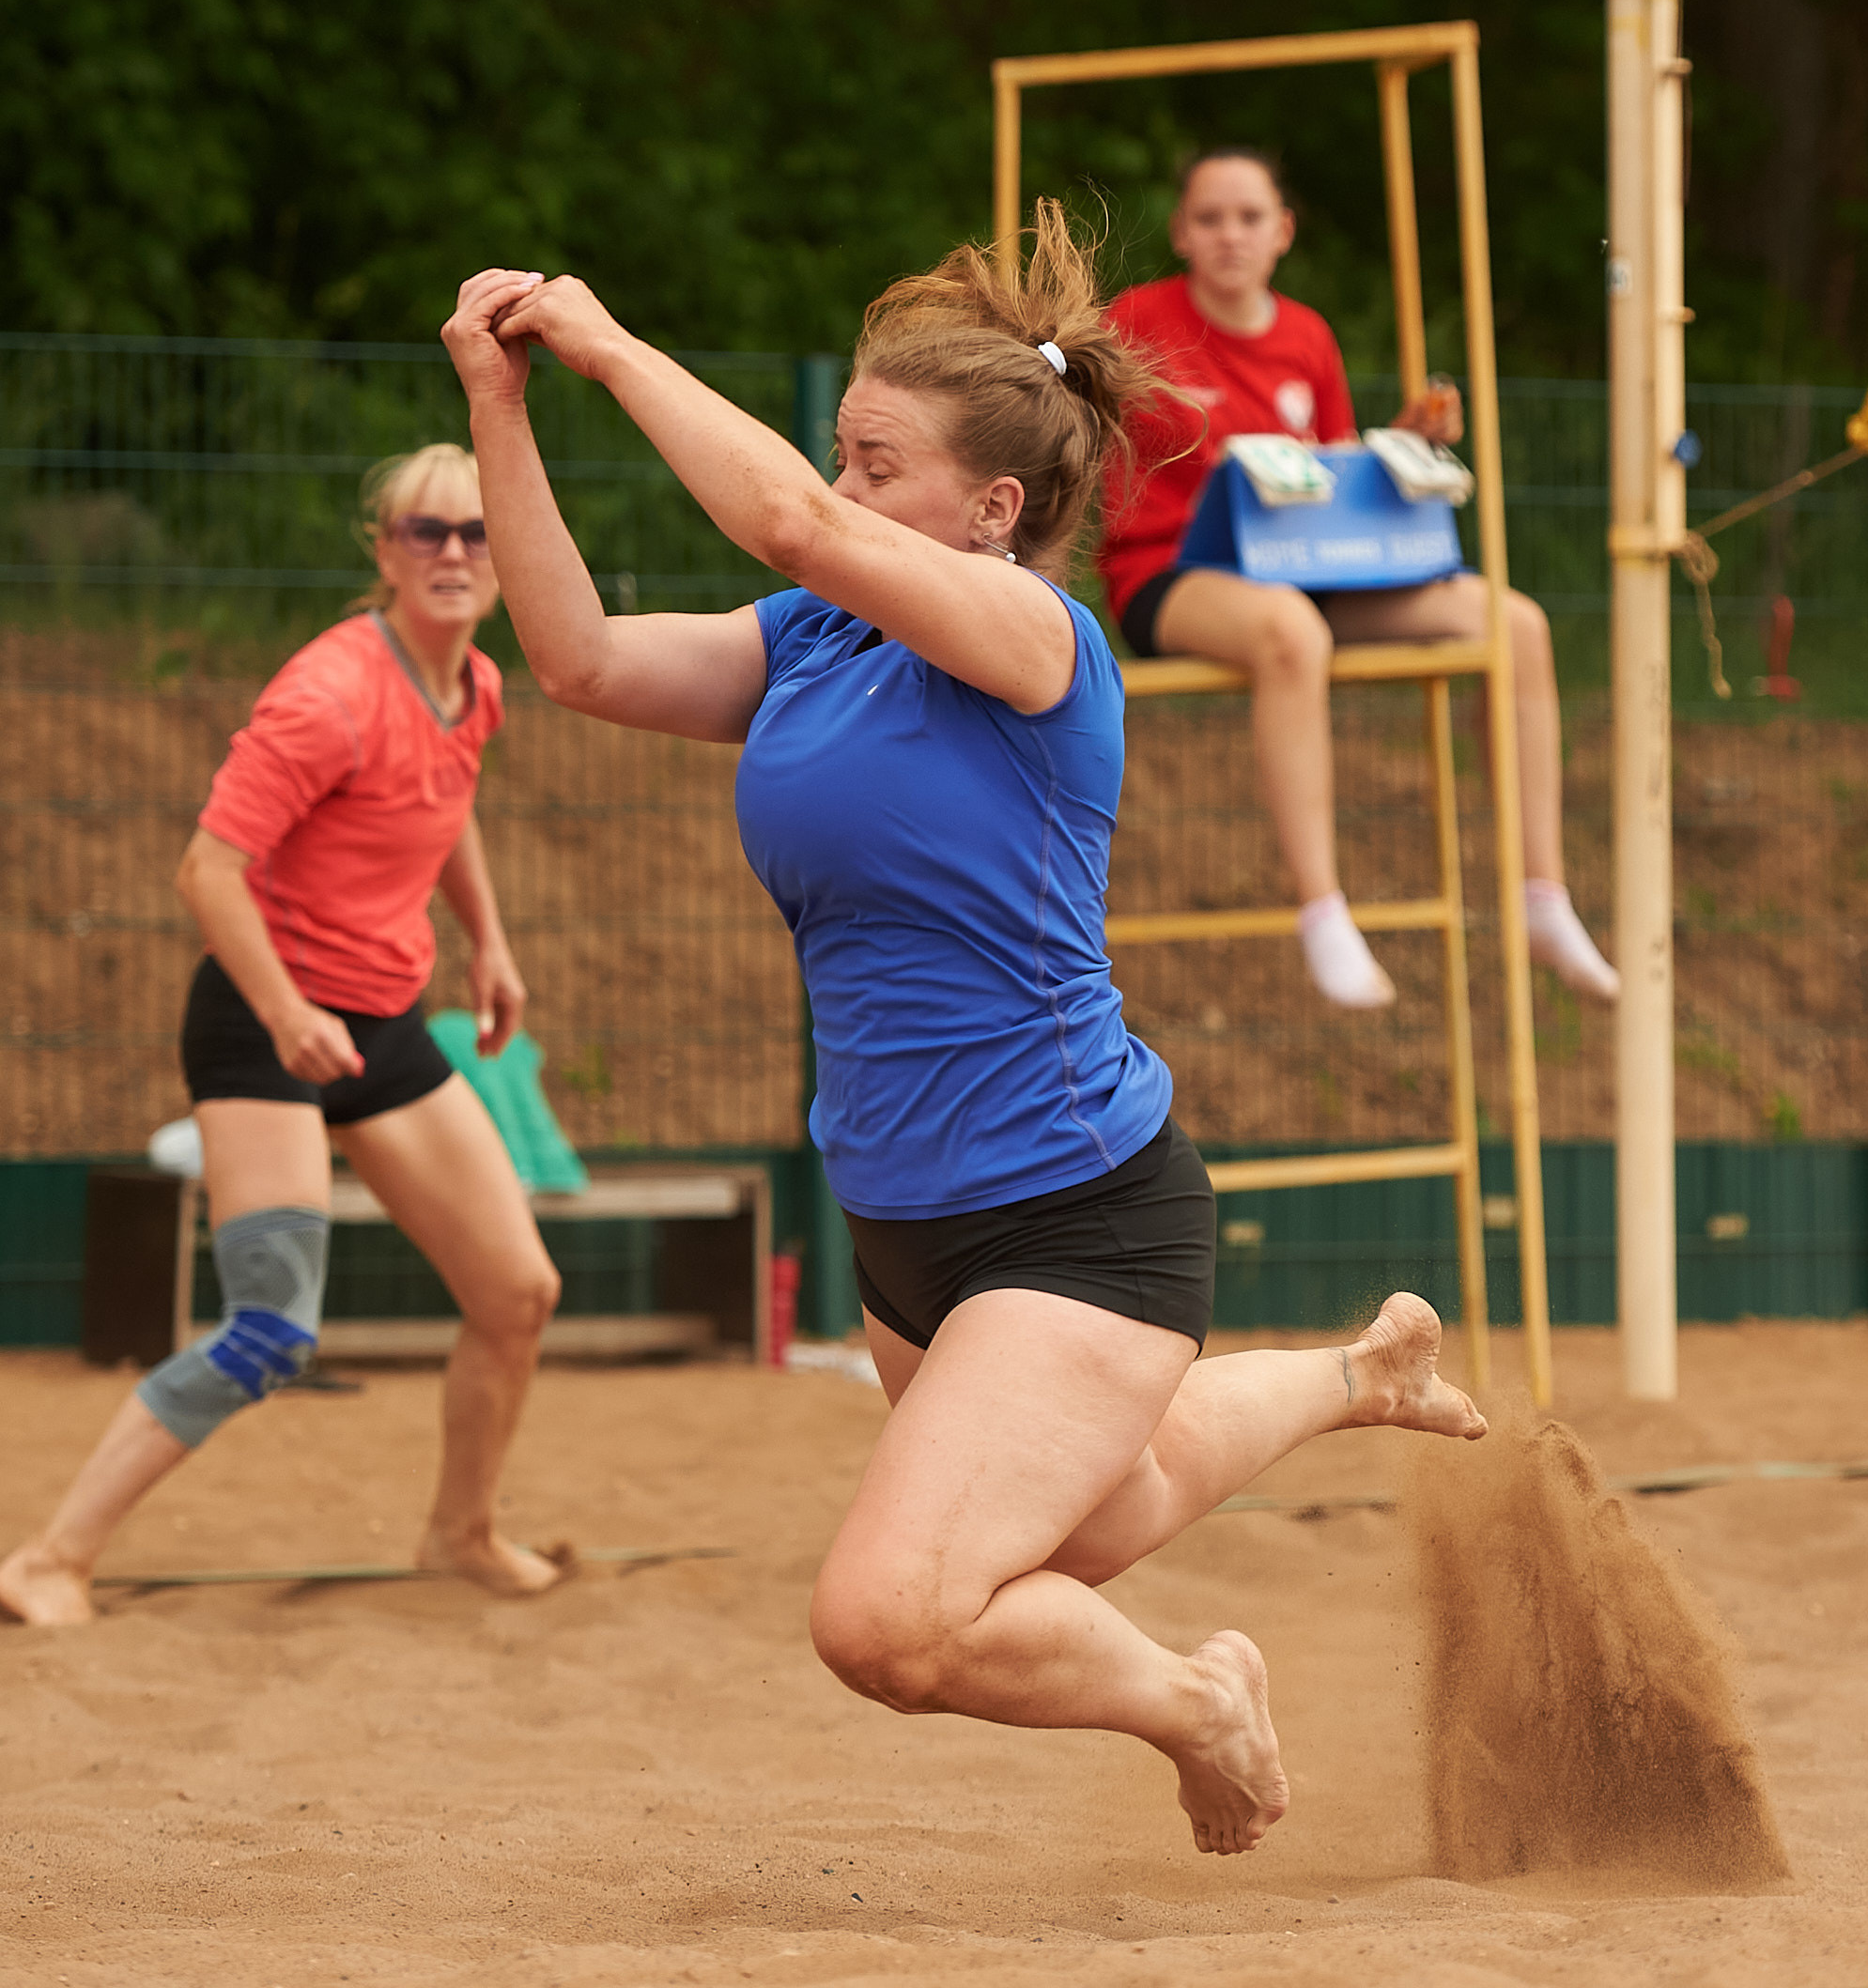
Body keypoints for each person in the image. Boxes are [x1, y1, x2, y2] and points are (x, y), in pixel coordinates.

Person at [442, 200, 1488, 1856]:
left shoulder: (1038, 643)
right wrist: (502, 410)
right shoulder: (814, 642)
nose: (844, 489)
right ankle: (1361, 1368)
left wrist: (606, 341)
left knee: (889, 1621)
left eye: (880, 464)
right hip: (905, 1222)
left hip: (1077, 1208)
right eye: (845, 459)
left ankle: (1198, 1695)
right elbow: (572, 660)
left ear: (994, 508)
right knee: (1092, 1518)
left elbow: (784, 518)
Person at [0, 446, 565, 1627]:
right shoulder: (327, 694)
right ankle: (51, 1559)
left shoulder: (478, 685)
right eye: (427, 532)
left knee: (517, 1290)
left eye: (475, 532)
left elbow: (442, 810)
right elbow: (207, 871)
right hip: (264, 1025)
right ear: (384, 550)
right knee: (271, 1329)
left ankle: (458, 1533)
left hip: (380, 1020)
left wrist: (491, 945)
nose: (454, 552)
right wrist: (285, 1010)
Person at [1103, 146, 1621, 1010]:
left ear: (1283, 233)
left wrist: (1404, 441)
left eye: (1249, 217)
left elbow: (1330, 474)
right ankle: (1322, 908)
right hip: (1173, 572)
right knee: (1290, 634)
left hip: (1307, 568)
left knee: (1517, 624)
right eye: (1210, 218)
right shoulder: (1136, 321)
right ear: (1182, 234)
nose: (1230, 234)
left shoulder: (1307, 336)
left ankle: (1543, 895)